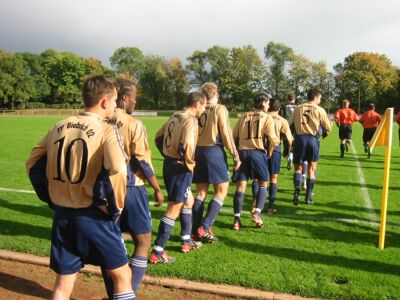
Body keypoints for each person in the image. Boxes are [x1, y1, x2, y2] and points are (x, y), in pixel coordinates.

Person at [26, 75, 136, 300]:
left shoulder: (58, 126)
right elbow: (118, 170)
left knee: (63, 284)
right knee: (122, 276)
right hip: (94, 215)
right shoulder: (106, 130)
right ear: (105, 102)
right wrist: (115, 209)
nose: (115, 106)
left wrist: (50, 196)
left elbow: (32, 162)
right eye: (114, 101)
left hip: (62, 215)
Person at [101, 79, 164, 298]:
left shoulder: (101, 120)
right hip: (131, 188)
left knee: (110, 243)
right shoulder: (133, 123)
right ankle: (129, 293)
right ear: (125, 97)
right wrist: (156, 187)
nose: (136, 101)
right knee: (143, 241)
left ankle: (113, 294)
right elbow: (141, 161)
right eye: (134, 97)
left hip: (104, 190)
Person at [150, 92, 206, 264]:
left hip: (170, 164)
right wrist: (189, 163)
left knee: (188, 200)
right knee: (174, 208)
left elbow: (158, 137)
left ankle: (186, 239)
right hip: (180, 168)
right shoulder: (190, 120)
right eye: (203, 106)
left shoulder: (175, 115)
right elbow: (188, 144)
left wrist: (167, 155)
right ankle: (157, 251)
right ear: (197, 104)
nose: (203, 110)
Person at [191, 82, 241, 242]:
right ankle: (204, 228)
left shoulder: (197, 108)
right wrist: (235, 155)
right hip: (214, 151)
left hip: (197, 151)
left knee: (200, 192)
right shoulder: (220, 109)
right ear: (217, 94)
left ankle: (194, 229)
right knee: (221, 190)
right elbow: (226, 134)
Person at [231, 93, 279, 230]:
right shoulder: (267, 118)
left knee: (240, 187)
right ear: (263, 102)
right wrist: (269, 153)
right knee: (263, 183)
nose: (269, 105)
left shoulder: (244, 116)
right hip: (257, 152)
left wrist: (236, 155)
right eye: (268, 103)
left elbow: (234, 137)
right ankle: (257, 214)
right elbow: (273, 139)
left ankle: (236, 220)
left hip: (242, 152)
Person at [289, 88, 332, 205]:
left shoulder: (298, 108)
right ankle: (308, 196)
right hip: (313, 140)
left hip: (299, 139)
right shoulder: (320, 109)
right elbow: (328, 128)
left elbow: (289, 125)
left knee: (298, 168)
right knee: (311, 169)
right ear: (316, 97)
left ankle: (297, 189)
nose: (320, 100)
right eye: (320, 98)